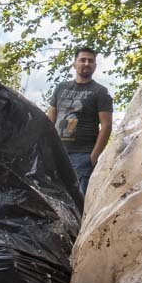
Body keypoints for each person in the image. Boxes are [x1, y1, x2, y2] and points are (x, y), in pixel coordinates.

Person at [46, 47, 113, 196]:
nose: (87, 63)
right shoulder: (60, 88)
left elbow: (107, 126)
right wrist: (46, 149)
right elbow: (49, 120)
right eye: (82, 60)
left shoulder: (100, 92)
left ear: (95, 66)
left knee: (79, 202)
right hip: (57, 153)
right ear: (74, 64)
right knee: (55, 197)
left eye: (91, 61)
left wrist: (93, 158)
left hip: (82, 156)